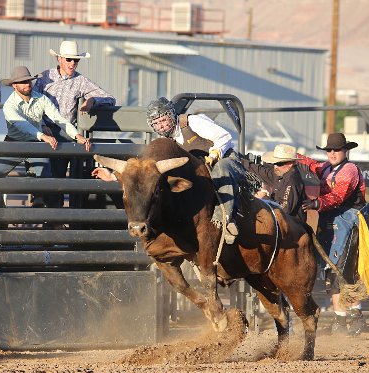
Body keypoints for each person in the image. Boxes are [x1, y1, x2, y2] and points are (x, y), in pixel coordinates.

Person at [95, 97, 244, 244]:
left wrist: (215, 154)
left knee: (221, 170)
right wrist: (113, 176)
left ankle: (228, 219)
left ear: (172, 115)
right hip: (198, 167)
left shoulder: (192, 122)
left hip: (223, 157)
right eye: (156, 123)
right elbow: (147, 174)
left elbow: (224, 136)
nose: (161, 126)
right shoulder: (163, 142)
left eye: (163, 120)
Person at [296, 132, 369, 336]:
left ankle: (356, 316)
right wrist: (294, 157)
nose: (332, 153)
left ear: (345, 151)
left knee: (346, 271)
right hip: (330, 223)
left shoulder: (350, 170)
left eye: (336, 150)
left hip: (349, 224)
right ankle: (340, 319)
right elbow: (312, 165)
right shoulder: (326, 168)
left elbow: (338, 196)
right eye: (329, 150)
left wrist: (316, 203)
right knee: (332, 272)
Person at [0, 66, 91, 207]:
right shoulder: (9, 105)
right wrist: (42, 136)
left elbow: (58, 119)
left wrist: (77, 135)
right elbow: (22, 125)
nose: (27, 84)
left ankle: (49, 214)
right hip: (14, 143)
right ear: (14, 85)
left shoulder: (41, 98)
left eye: (28, 81)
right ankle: (0, 209)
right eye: (22, 82)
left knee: (46, 181)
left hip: (35, 144)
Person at [32, 40, 115, 208]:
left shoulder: (80, 81)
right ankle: (43, 202)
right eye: (69, 59)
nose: (73, 64)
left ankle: (53, 212)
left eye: (75, 60)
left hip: (65, 133)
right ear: (59, 59)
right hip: (43, 130)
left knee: (58, 175)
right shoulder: (43, 78)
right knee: (42, 170)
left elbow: (110, 99)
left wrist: (92, 100)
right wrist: (41, 124)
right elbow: (32, 104)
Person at [240, 143, 307, 223]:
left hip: (292, 227)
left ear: (290, 164)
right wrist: (240, 161)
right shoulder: (280, 172)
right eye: (274, 163)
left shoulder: (293, 180)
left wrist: (264, 198)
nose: (275, 166)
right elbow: (260, 171)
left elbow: (285, 210)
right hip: (280, 222)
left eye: (279, 163)